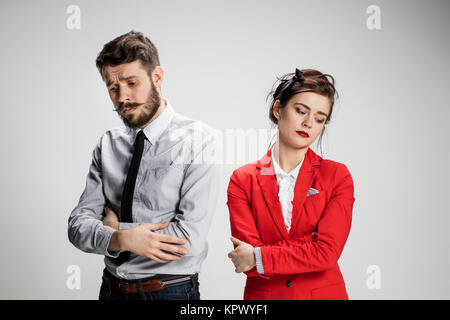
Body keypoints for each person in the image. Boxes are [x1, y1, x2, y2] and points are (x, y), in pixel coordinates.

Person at [68, 31, 219, 300]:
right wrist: (123, 239)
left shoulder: (198, 140)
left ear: (157, 78)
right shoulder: (108, 144)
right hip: (111, 289)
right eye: (113, 87)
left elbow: (189, 238)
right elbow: (78, 226)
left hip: (170, 291)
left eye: (131, 83)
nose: (122, 97)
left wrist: (114, 229)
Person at [226, 68, 355, 300]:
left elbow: (326, 253)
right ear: (278, 109)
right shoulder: (242, 180)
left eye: (319, 119)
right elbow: (245, 262)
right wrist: (304, 249)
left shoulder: (337, 176)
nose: (308, 123)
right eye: (300, 111)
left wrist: (259, 257)